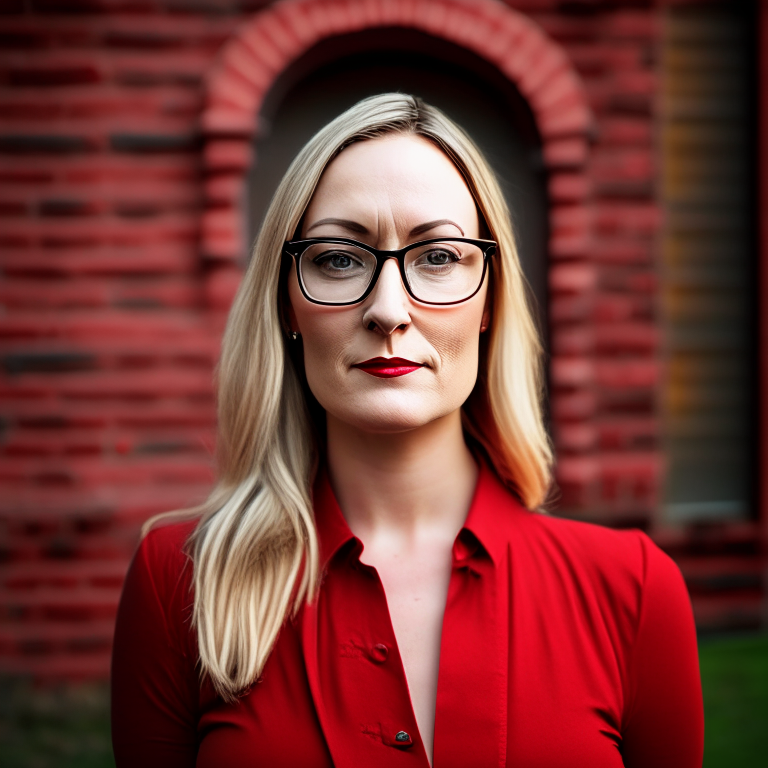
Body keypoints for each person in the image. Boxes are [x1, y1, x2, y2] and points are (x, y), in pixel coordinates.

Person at [111, 93, 704, 768]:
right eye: (338, 258)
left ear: (490, 300)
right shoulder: (181, 581)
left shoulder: (631, 590)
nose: (388, 310)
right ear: (287, 305)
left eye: (439, 257)